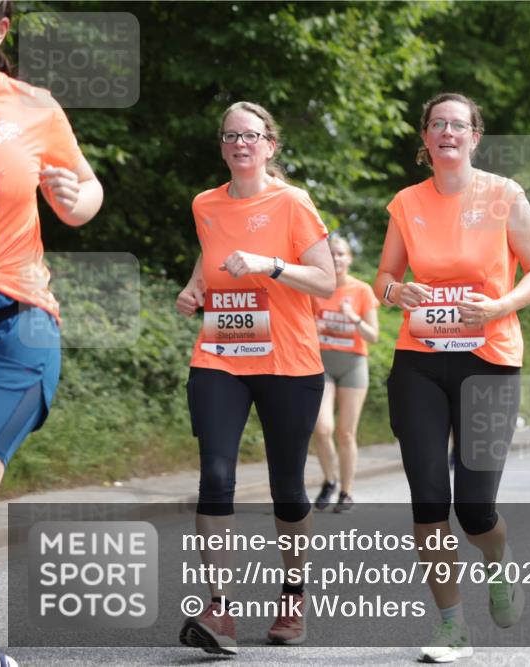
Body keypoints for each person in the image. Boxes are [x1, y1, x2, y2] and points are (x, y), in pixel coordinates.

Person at [374, 92, 530, 663]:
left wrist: (500, 306)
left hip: (489, 359)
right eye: (437, 124)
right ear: (425, 138)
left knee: (474, 509)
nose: (447, 132)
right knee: (428, 498)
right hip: (420, 360)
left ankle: (497, 562)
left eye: (458, 124)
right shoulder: (407, 202)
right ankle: (452, 626)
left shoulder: (504, 194)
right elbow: (384, 277)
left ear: (475, 136)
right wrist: (397, 291)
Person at [175, 102, 335, 653]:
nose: (240, 143)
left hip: (288, 361)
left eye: (251, 135)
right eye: (230, 136)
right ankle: (219, 611)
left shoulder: (292, 202)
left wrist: (271, 265)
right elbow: (210, 256)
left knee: (286, 487)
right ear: (222, 146)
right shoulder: (205, 203)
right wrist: (195, 287)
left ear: (271, 145)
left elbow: (325, 281)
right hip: (220, 355)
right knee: (215, 475)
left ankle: (293, 597)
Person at [0, 3, 104, 665]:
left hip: (15, 328)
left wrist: (73, 199)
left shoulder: (32, 107)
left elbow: (86, 192)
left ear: (0, 29)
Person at [310, 236, 379, 513]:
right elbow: (301, 327)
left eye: (341, 254)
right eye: (331, 254)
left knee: (346, 432)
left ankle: (346, 492)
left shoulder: (361, 290)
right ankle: (329, 480)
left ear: (349, 258)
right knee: (321, 428)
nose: (336, 258)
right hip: (322, 364)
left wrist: (354, 317)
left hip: (353, 365)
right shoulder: (316, 288)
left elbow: (372, 336)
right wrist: (312, 328)